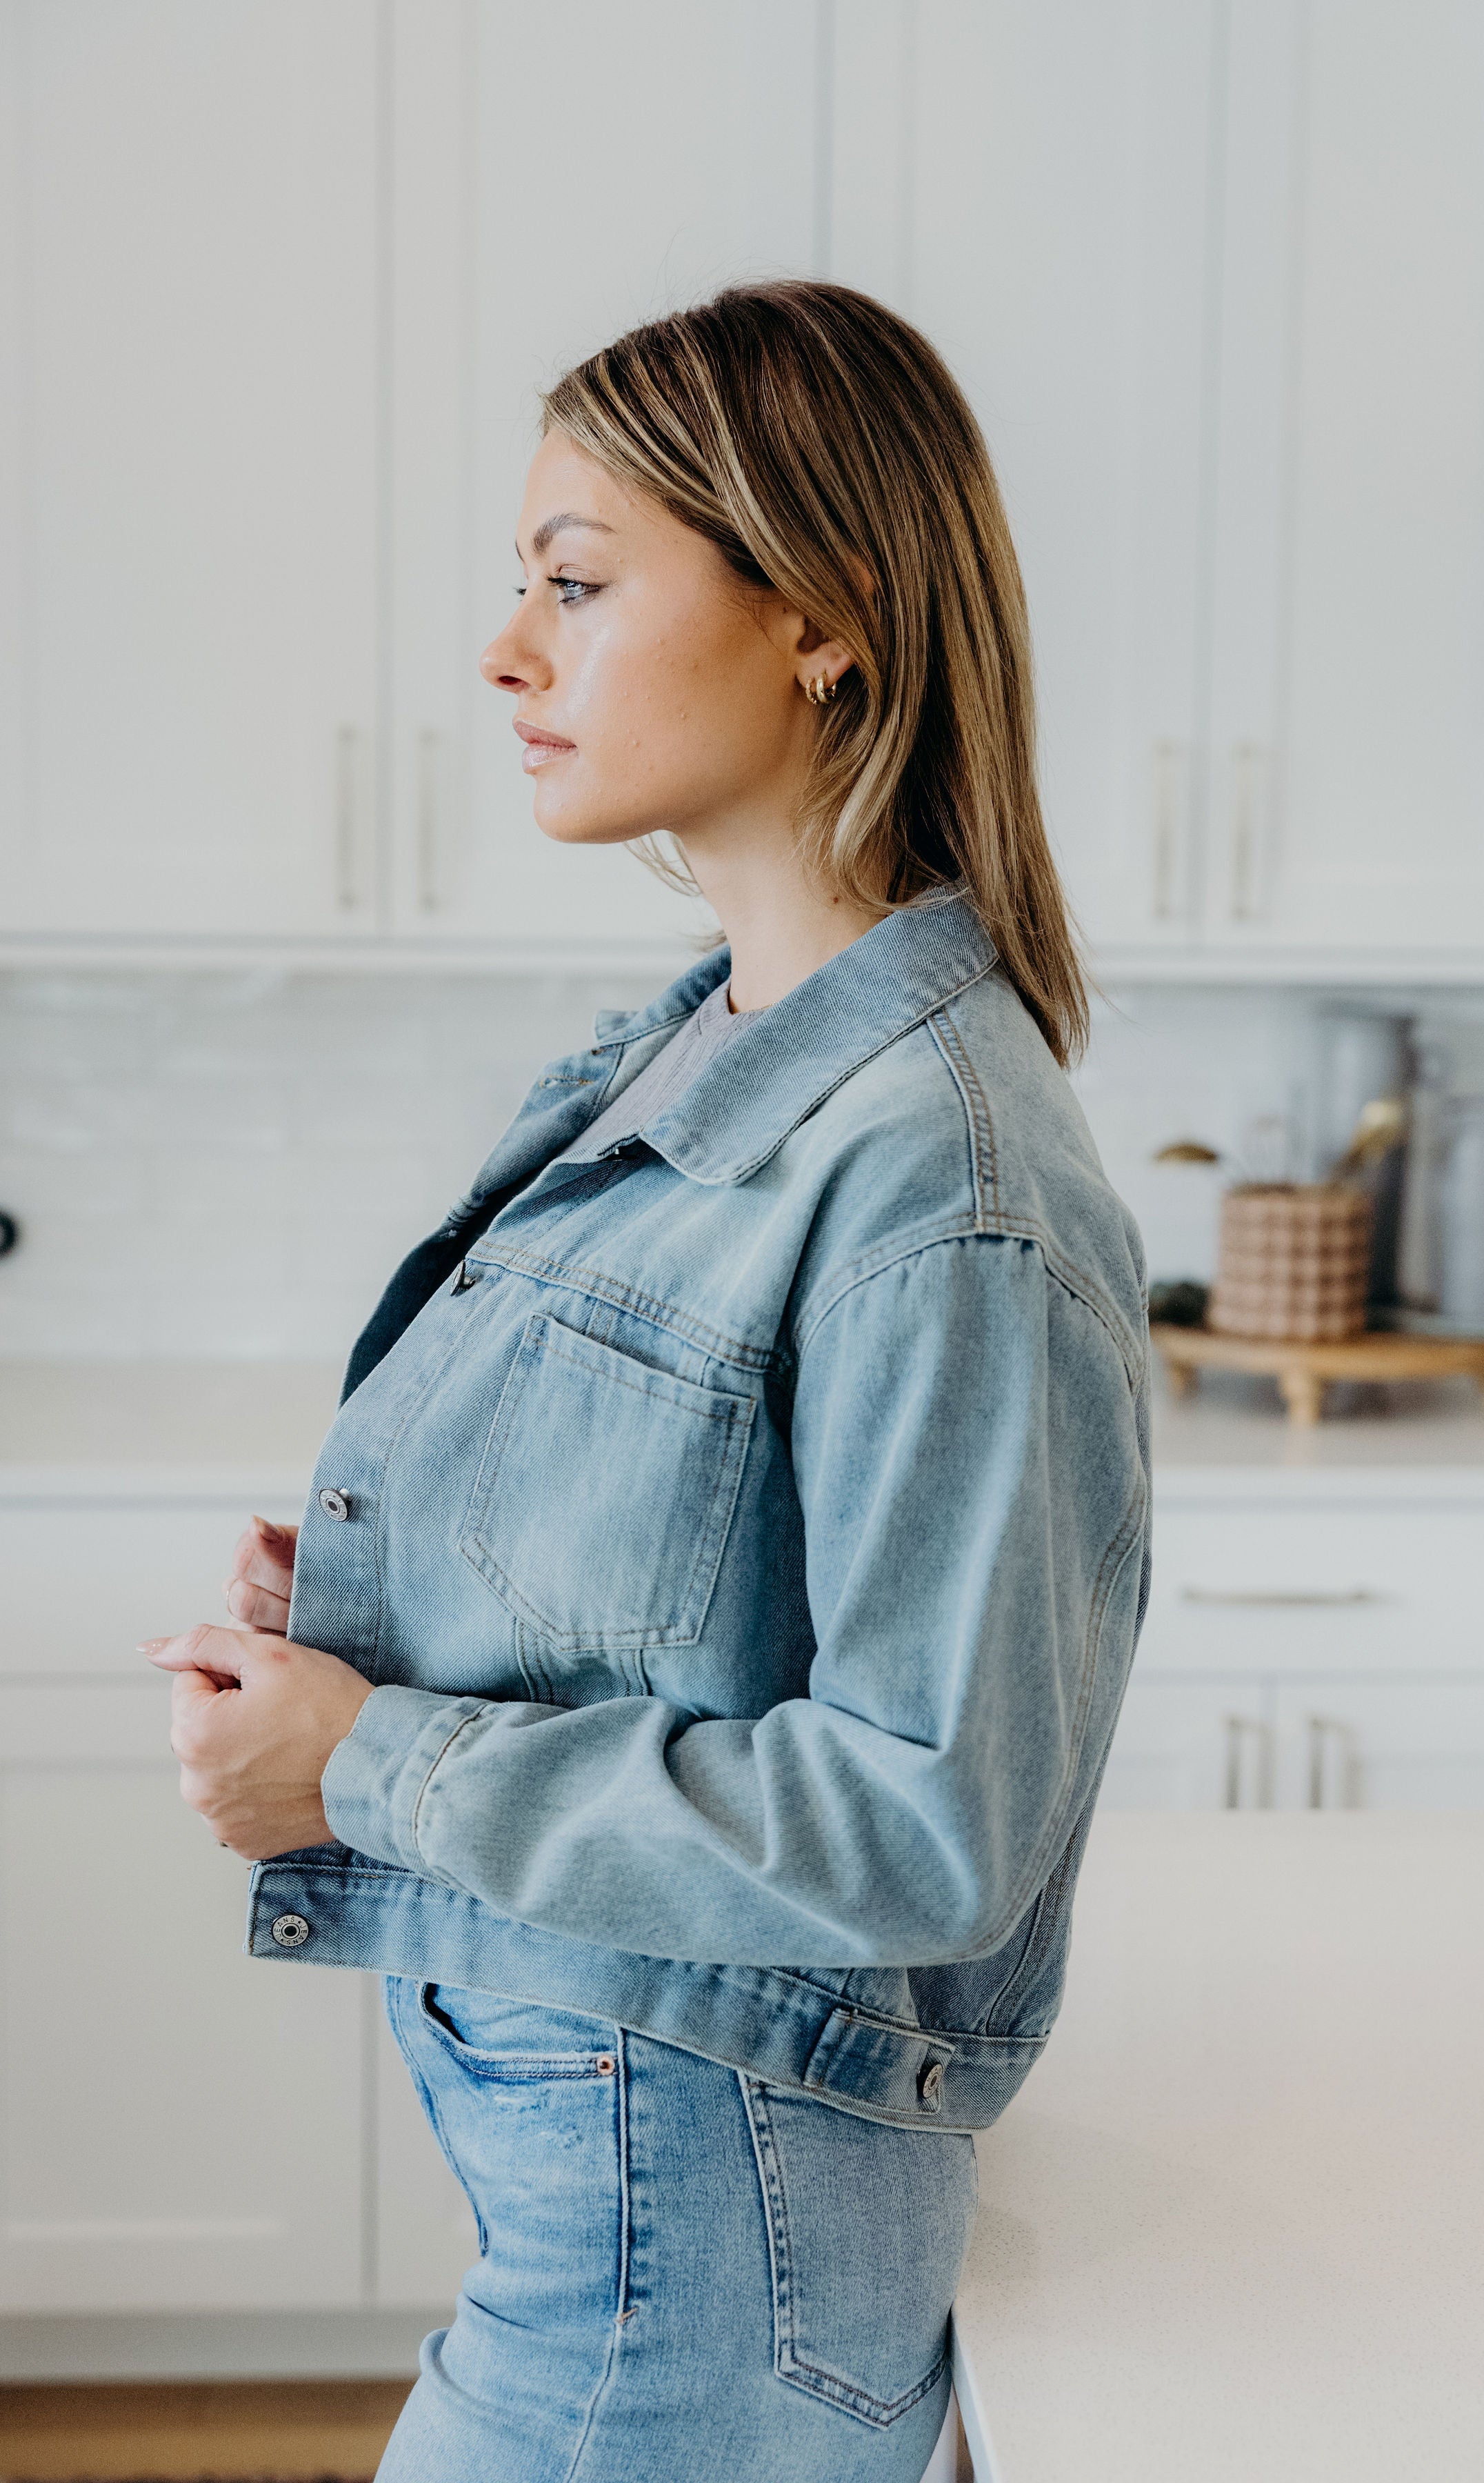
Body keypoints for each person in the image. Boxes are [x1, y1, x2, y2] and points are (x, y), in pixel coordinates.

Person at [144, 279, 1152, 2483]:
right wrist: (390, 1622)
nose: (506, 653)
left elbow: (927, 1820)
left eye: (578, 583)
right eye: (523, 586)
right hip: (620, 2213)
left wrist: (374, 1758)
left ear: (824, 618)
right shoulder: (706, 1047)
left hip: (700, 2260)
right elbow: (710, 1576)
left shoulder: (940, 1179)